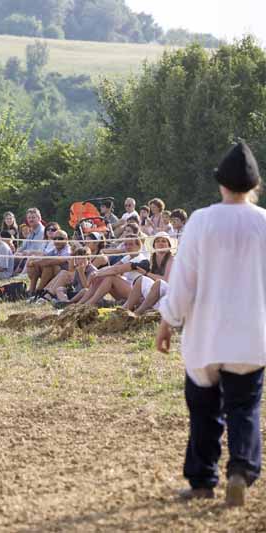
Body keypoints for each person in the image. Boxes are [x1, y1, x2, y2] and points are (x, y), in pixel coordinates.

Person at [156, 141, 266, 506]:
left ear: (221, 184)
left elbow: (184, 281)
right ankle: (240, 470)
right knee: (244, 407)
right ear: (254, 186)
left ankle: (202, 480)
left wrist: (168, 320)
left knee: (203, 410)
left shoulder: (202, 221)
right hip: (251, 337)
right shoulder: (264, 223)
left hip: (206, 336)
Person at [75, 235, 148, 306]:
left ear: (139, 246)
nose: (128, 247)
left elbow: (116, 270)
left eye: (131, 244)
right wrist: (96, 273)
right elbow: (112, 267)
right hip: (128, 290)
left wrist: (97, 274)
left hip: (138, 295)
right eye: (126, 244)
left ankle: (88, 304)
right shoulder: (128, 257)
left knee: (110, 278)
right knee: (102, 276)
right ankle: (79, 304)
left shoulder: (140, 259)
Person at [122, 232, 175, 314]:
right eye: (158, 241)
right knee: (141, 279)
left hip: (170, 295)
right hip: (156, 295)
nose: (160, 243)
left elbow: (166, 280)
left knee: (159, 282)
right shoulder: (152, 258)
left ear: (169, 245)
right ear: (154, 245)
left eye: (164, 241)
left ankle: (138, 312)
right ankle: (124, 310)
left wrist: (146, 273)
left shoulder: (171, 259)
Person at [27, 229, 71, 296]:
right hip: (54, 273)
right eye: (55, 238)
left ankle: (39, 290)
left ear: (66, 239)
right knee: (34, 264)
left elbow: (57, 261)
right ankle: (32, 290)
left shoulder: (68, 250)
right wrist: (33, 262)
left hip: (64, 277)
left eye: (60, 238)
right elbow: (44, 257)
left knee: (49, 266)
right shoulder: (55, 249)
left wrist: (36, 262)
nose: (57, 241)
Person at [13, 208, 46, 274]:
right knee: (11, 256)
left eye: (33, 217)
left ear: (39, 218)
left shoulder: (43, 232)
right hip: (25, 256)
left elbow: (38, 250)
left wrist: (24, 253)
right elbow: (23, 246)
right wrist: (18, 252)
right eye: (29, 218)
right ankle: (10, 275)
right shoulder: (31, 231)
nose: (31, 220)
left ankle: (18, 277)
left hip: (35, 258)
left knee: (24, 259)